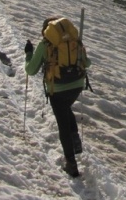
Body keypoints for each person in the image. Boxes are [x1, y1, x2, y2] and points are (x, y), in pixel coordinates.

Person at [25, 17, 91, 177]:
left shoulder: (45, 45)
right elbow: (87, 63)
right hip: (76, 85)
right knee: (66, 109)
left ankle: (71, 164)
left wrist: (28, 54)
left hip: (57, 90)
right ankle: (75, 142)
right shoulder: (75, 42)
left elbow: (31, 70)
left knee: (63, 124)